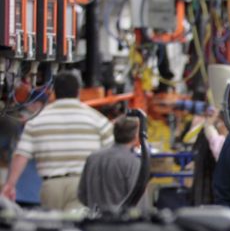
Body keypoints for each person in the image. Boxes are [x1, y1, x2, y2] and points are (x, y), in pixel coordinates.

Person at [1, 73, 113, 210]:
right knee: (76, 228)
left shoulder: (37, 121)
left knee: (52, 227)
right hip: (82, 184)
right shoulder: (98, 120)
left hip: (51, 184)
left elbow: (21, 155)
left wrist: (10, 185)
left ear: (54, 92)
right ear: (78, 91)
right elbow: (110, 155)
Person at [77, 116, 144, 210]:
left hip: (95, 220)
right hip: (120, 222)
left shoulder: (93, 157)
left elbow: (82, 194)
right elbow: (137, 199)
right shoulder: (132, 161)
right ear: (136, 136)